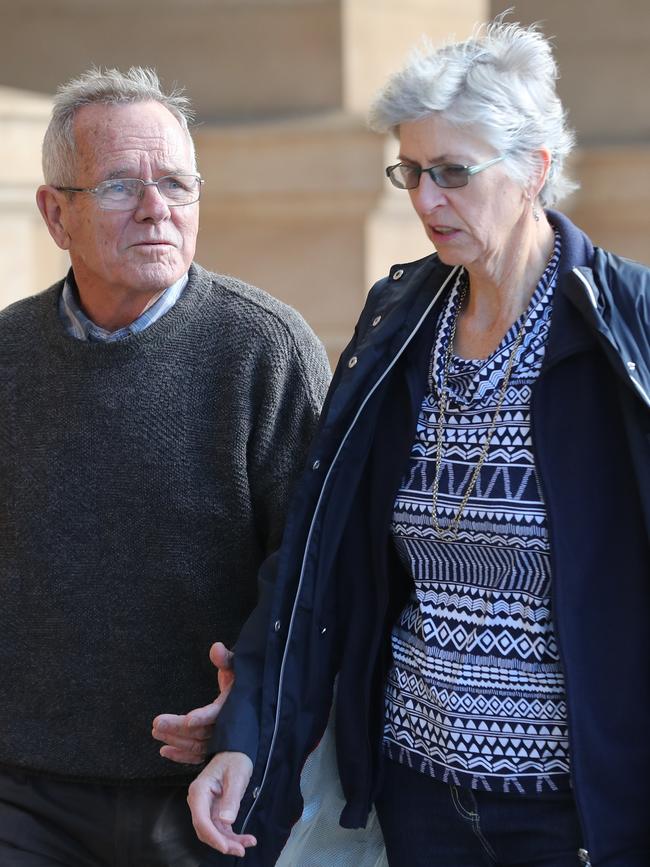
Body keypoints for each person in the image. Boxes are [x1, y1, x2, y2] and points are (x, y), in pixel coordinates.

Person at [160, 19, 649, 867]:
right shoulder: (400, 326)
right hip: (416, 797)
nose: (425, 201)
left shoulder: (626, 330)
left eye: (453, 173)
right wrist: (249, 727)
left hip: (577, 816)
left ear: (534, 168)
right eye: (412, 172)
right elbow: (319, 552)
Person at [0, 66, 330, 866]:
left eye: (178, 184)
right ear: (55, 214)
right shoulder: (8, 356)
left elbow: (314, 574)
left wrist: (247, 714)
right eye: (120, 186)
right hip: (20, 786)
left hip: (205, 791)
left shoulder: (267, 351)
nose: (157, 208)